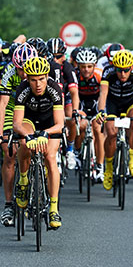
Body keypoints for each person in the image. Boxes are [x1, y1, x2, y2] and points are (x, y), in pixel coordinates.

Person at [13, 56, 65, 229]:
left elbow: (60, 124)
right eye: (33, 80)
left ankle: (53, 208)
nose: (38, 84)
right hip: (29, 120)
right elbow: (17, 123)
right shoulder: (22, 89)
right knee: (24, 143)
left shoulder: (54, 88)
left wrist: (45, 133)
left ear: (47, 76)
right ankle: (23, 180)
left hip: (49, 123)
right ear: (27, 78)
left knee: (50, 158)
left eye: (41, 79)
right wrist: (28, 137)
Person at [0, 43, 36, 227]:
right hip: (11, 110)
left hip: (33, 111)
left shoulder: (40, 71)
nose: (24, 75)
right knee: (8, 154)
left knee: (32, 145)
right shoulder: (9, 72)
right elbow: (2, 105)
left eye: (26, 70)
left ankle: (37, 184)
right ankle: (9, 204)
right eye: (20, 70)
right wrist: (0, 135)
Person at [96, 50, 133, 189]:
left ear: (131, 67)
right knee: (111, 133)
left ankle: (132, 161)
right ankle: (108, 169)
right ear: (114, 67)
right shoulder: (108, 72)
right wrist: (101, 111)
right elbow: (103, 93)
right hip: (112, 103)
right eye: (119, 70)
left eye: (126, 70)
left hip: (130, 101)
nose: (123, 74)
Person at [47, 37, 80, 170]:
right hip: (50, 97)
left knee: (70, 117)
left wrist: (75, 111)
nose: (55, 60)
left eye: (58, 56)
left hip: (65, 96)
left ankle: (70, 150)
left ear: (64, 55)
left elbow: (74, 92)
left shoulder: (67, 67)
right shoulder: (47, 65)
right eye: (52, 56)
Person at [74, 48, 106, 182]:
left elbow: (104, 95)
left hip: (96, 104)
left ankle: (99, 165)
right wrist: (76, 111)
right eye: (83, 67)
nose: (86, 70)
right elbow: (73, 96)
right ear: (78, 66)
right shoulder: (75, 75)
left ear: (94, 66)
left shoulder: (100, 74)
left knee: (98, 130)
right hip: (81, 103)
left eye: (89, 66)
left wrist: (101, 111)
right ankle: (77, 152)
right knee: (81, 125)